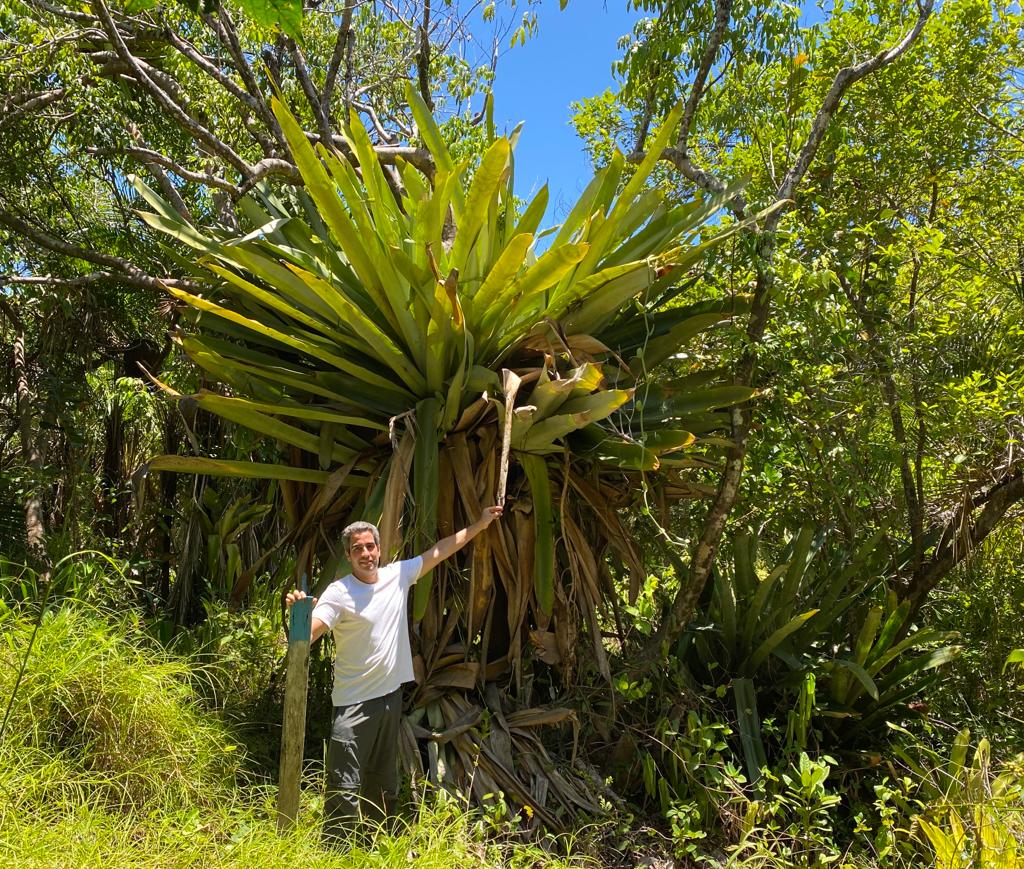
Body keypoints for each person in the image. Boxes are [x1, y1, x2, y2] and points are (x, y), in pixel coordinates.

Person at [285, 505, 503, 844]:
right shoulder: (339, 592)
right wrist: (300, 615)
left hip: (389, 698)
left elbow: (442, 549)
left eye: (370, 546)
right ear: (348, 555)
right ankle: (337, 849)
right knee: (345, 783)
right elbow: (309, 634)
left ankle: (376, 842)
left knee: (382, 777)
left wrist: (480, 523)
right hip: (353, 704)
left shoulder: (396, 576)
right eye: (357, 548)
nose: (366, 553)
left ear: (379, 548)